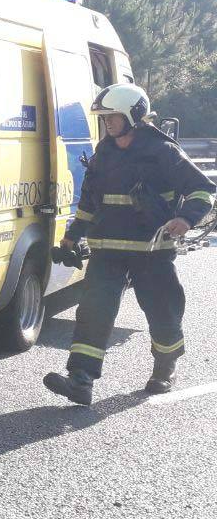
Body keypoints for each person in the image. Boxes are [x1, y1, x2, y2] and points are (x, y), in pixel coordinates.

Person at [43, 83, 215, 405]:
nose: (108, 123)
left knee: (163, 310)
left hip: (151, 251)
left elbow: (202, 190)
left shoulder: (163, 152)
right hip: (107, 250)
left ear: (133, 116)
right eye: (105, 118)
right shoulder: (104, 153)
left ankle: (165, 365)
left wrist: (186, 220)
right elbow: (90, 202)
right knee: (93, 312)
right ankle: (81, 379)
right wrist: (73, 234)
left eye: (113, 117)